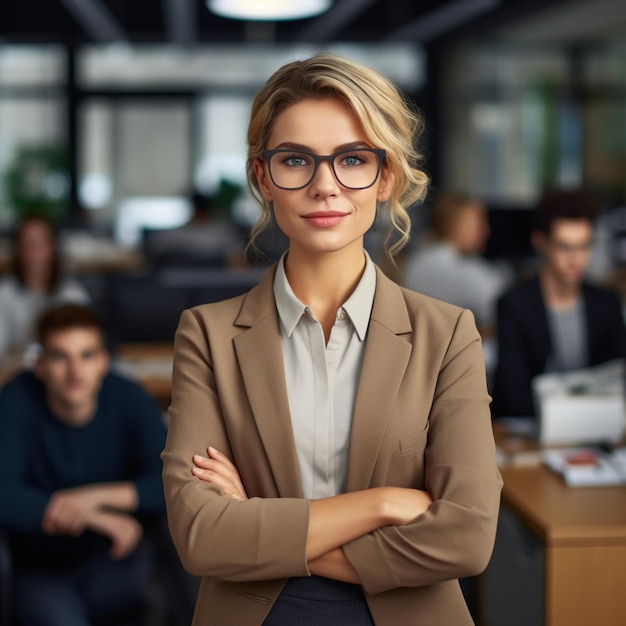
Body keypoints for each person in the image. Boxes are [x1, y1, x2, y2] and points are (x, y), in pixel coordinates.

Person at [161, 53, 503, 626]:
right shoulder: (208, 334)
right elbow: (200, 537)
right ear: (264, 177)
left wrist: (259, 526)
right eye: (296, 160)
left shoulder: (447, 335)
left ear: (386, 176)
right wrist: (384, 504)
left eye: (352, 159)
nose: (325, 186)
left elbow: (467, 539)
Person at [0, 303, 167, 626]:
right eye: (61, 356)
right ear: (41, 366)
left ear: (103, 361)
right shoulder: (17, 397)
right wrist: (93, 517)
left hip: (116, 561)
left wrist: (93, 498)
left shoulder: (129, 396)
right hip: (42, 567)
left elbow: (172, 482)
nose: (75, 371)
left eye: (86, 355)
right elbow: (2, 491)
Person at [493, 188, 626, 417]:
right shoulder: (514, 305)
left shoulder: (605, 303)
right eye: (565, 247)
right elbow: (511, 395)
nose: (576, 259)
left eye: (584, 246)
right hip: (534, 428)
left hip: (596, 426)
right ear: (540, 242)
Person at [402, 190, 510, 332]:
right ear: (456, 223)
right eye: (478, 222)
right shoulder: (444, 265)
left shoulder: (420, 258)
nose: (486, 230)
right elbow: (500, 301)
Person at [0, 215, 90, 364]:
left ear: (53, 247)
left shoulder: (72, 295)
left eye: (40, 243)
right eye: (28, 243)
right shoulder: (4, 293)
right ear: (18, 249)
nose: (35, 250)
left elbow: (82, 349)